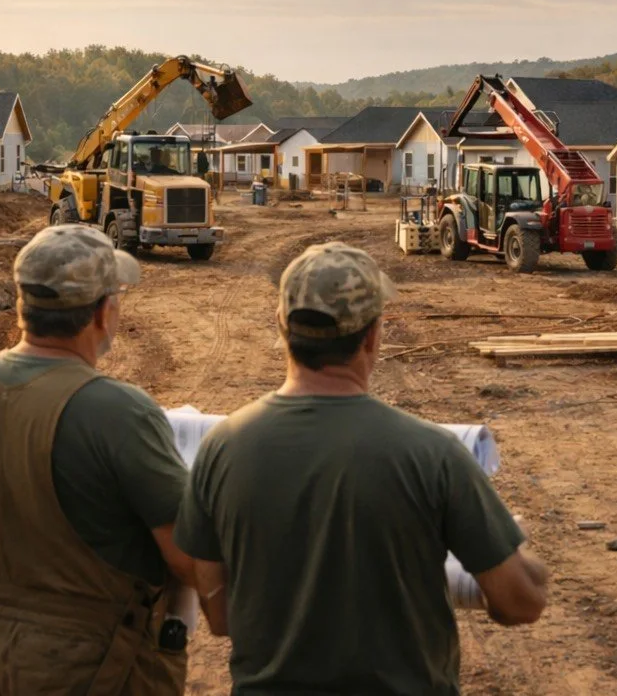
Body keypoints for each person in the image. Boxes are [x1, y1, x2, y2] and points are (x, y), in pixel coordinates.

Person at [175, 241, 549, 695]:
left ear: (281, 325)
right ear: (373, 335)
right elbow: (520, 604)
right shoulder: (434, 454)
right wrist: (519, 549)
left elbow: (220, 617)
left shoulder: (220, 449)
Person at [0, 224, 204, 695]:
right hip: (91, 664)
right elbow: (188, 559)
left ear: (23, 304)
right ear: (103, 312)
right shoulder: (118, 410)